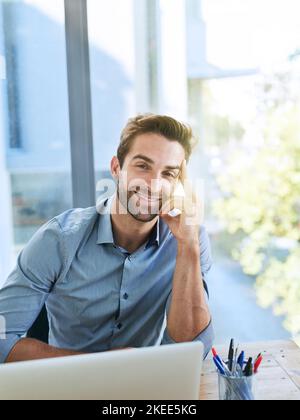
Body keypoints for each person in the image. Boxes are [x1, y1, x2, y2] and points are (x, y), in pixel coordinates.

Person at [0, 114, 214, 364]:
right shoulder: (58, 240)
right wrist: (99, 365)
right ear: (116, 168)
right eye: (143, 166)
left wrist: (188, 245)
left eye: (168, 173)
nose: (154, 184)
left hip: (144, 388)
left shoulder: (189, 239)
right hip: (69, 384)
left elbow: (193, 348)